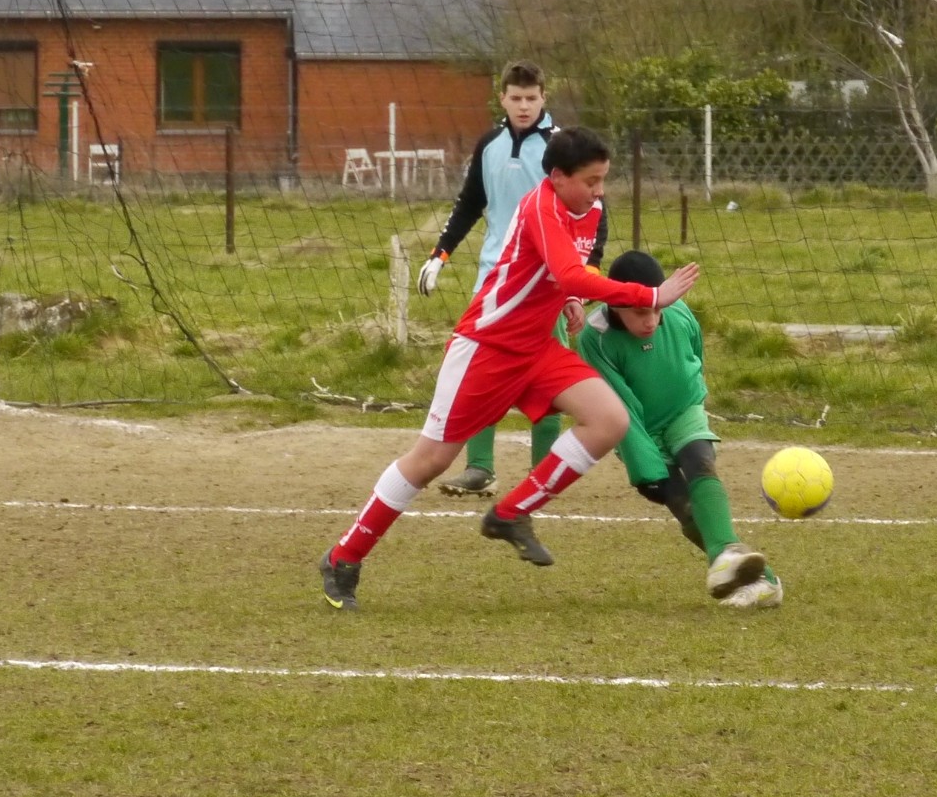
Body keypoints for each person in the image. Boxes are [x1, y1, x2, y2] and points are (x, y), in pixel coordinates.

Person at [321, 128, 700, 610]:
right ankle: (343, 557)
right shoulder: (541, 207)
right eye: (591, 180)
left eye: (604, 179)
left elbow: (565, 275)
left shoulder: (590, 210)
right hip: (487, 348)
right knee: (431, 460)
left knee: (609, 420)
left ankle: (510, 513)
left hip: (536, 348)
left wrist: (569, 297)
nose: (600, 190)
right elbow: (567, 271)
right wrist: (652, 295)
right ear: (557, 177)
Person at [578, 250, 783, 609]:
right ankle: (762, 580)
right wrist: (644, 466)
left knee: (700, 461)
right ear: (615, 303)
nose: (651, 320)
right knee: (682, 505)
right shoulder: (595, 339)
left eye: (657, 309)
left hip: (684, 410)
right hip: (639, 429)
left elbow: (695, 355)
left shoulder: (678, 312)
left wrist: (694, 397)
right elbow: (616, 406)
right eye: (640, 312)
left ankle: (729, 558)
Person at [417, 62, 579, 495]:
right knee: (479, 373)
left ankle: (543, 473)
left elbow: (588, 215)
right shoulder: (489, 144)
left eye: (531, 98)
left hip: (544, 284)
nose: (524, 106)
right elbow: (469, 203)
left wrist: (580, 279)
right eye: (516, 98)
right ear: (502, 98)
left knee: (547, 374)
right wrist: (440, 255)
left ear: (544, 98)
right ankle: (479, 468)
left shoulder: (562, 147)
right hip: (493, 280)